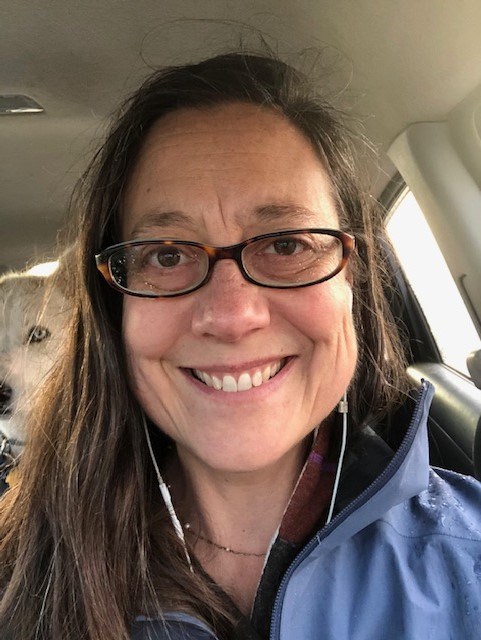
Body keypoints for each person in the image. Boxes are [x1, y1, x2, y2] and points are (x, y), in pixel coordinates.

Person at [1, 51, 480, 640]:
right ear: (114, 311)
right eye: (168, 255)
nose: (231, 316)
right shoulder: (17, 579)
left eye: (285, 245)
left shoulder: (470, 559)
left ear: (352, 278)